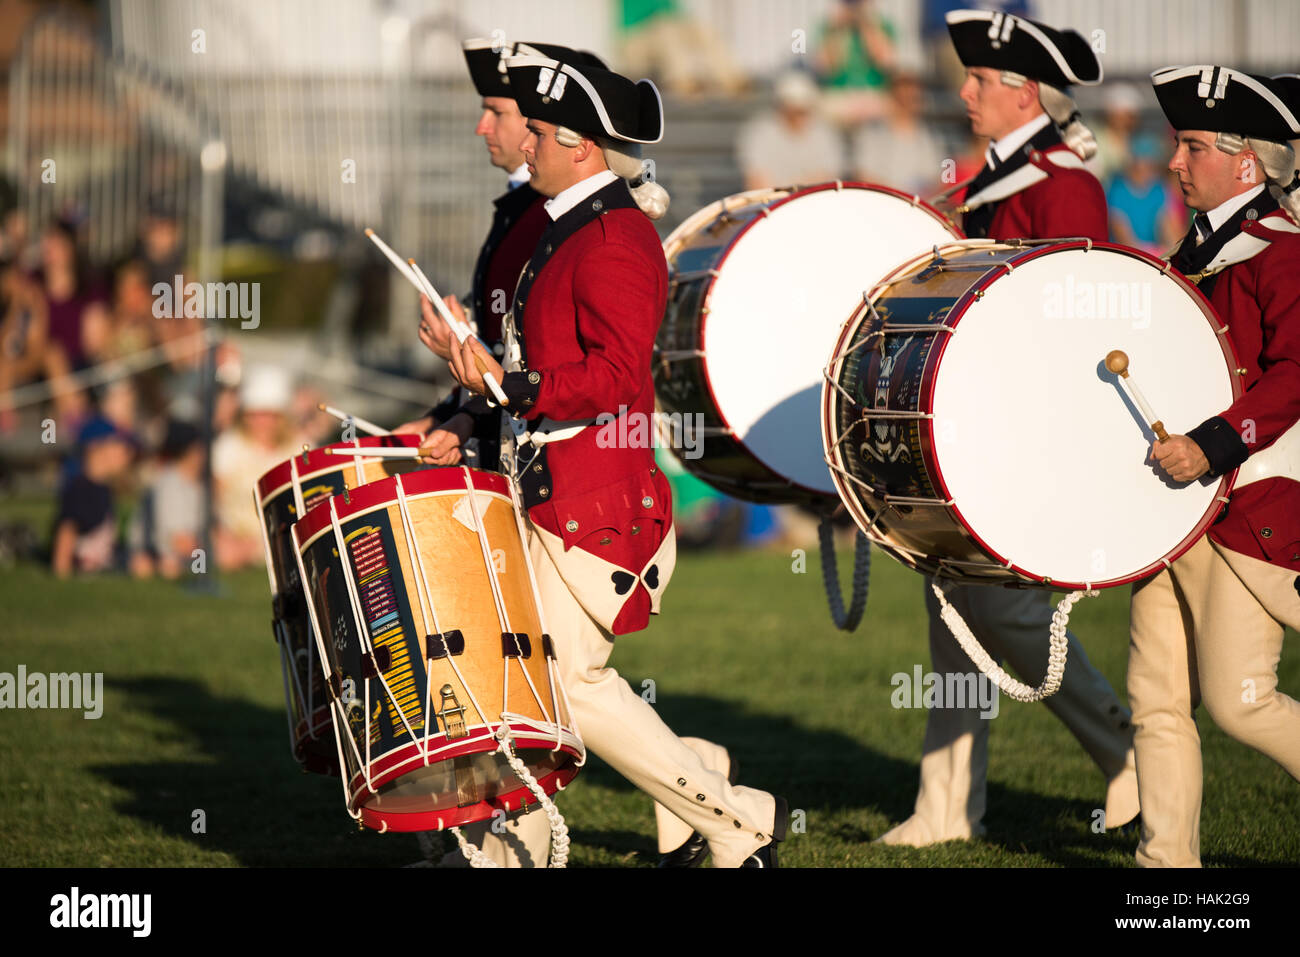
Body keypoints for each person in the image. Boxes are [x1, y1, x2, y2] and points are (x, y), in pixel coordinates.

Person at [425, 50, 786, 868]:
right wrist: (476, 375)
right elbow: (542, 367)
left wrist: (506, 382)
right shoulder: (567, 225)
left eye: (541, 133)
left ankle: (734, 827)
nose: (527, 144)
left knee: (572, 691)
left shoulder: (615, 235)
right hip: (559, 489)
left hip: (597, 501)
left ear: (583, 147)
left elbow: (617, 377)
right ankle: (712, 801)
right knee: (535, 686)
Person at [878, 9, 1139, 848]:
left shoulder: (1064, 186)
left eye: (980, 81)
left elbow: (1075, 320)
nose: (964, 93)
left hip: (1024, 438)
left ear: (1023, 91)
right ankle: (946, 807)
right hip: (965, 430)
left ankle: (1130, 749)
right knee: (952, 618)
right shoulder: (990, 182)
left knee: (1009, 618)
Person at [1127, 64, 1300, 868]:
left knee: (1242, 704)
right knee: (1155, 702)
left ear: (1247, 163)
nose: (1173, 162)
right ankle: (1169, 875)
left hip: (1245, 509)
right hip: (1169, 510)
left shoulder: (1281, 253)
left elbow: (1296, 371)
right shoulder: (1194, 250)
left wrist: (1214, 442)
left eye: (1191, 146)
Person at [51, 417, 137, 577]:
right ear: (95, 447)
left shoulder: (103, 488)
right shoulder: (80, 490)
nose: (127, 453)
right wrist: (62, 572)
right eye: (119, 445)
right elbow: (67, 531)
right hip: (86, 568)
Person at [736, 70, 844, 190]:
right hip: (775, 205)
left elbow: (827, 178)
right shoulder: (759, 133)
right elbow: (757, 182)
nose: (799, 115)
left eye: (802, 109)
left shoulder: (824, 133)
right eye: (794, 109)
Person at [852, 72, 947, 196]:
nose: (906, 106)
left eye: (912, 99)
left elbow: (942, 180)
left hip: (920, 207)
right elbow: (862, 175)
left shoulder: (933, 140)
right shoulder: (870, 135)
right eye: (901, 99)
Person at [1107, 133, 1187, 254]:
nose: (1148, 170)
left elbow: (1169, 230)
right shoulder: (1117, 191)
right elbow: (1123, 238)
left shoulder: (1158, 190)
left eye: (1152, 165)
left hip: (1152, 258)